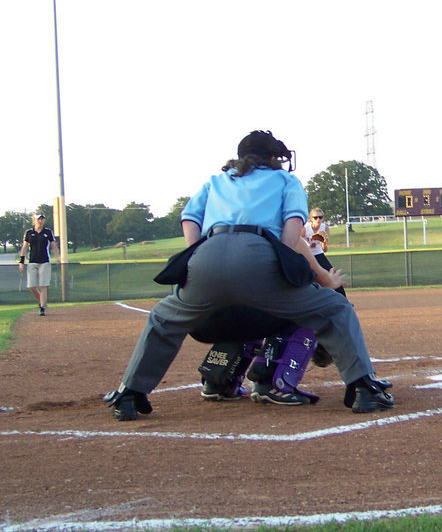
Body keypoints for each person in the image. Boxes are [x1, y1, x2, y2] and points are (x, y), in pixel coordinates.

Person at [104, 130, 393, 421]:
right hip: (259, 252)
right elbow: (293, 225)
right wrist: (280, 257)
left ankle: (129, 394)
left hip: (207, 254)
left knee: (163, 319)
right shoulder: (285, 180)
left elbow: (190, 218)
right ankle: (363, 390)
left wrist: (195, 254)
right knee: (335, 308)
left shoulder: (217, 180)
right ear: (271, 158)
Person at [18, 212, 60, 316]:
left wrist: (57, 257)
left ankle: (42, 307)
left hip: (44, 261)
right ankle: (42, 300)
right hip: (32, 261)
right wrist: (21, 262)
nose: (40, 221)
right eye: (38, 219)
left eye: (42, 219)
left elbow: (53, 245)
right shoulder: (29, 233)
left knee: (43, 285)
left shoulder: (47, 232)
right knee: (32, 285)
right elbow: (24, 247)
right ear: (34, 220)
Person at [303, 208, 345, 297]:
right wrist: (308, 244)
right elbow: (299, 242)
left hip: (318, 254)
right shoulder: (305, 228)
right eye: (315, 217)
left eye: (320, 217)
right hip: (306, 254)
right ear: (311, 219)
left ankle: (343, 299)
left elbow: (324, 250)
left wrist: (324, 242)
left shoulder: (324, 228)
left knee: (332, 275)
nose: (318, 219)